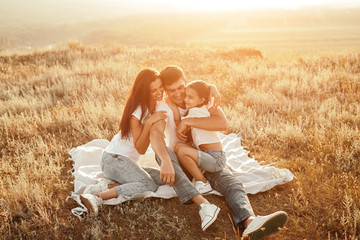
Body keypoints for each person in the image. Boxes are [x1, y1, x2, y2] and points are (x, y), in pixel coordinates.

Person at [152, 65, 288, 239]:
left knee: (232, 183)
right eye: (172, 91)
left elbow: (222, 124)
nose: (178, 94)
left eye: (181, 87)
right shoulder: (163, 107)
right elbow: (156, 133)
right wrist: (164, 159)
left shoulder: (201, 97)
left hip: (205, 157)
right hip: (182, 160)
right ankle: (201, 200)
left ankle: (250, 222)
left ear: (186, 82)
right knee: (169, 154)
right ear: (165, 91)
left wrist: (191, 117)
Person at [79, 68, 168, 213]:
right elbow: (141, 149)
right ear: (145, 92)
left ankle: (108, 186)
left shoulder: (156, 103)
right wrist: (149, 123)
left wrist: (213, 91)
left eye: (160, 88)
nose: (159, 92)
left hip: (126, 162)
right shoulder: (137, 112)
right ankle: (97, 197)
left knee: (162, 178)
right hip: (114, 160)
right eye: (154, 90)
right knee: (148, 185)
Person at [170, 80, 226, 194]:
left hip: (216, 159)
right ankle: (198, 175)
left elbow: (223, 123)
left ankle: (203, 182)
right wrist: (175, 110)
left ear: (201, 100)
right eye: (186, 96)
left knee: (181, 151)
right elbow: (180, 129)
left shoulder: (207, 106)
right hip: (206, 155)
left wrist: (212, 87)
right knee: (178, 146)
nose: (185, 99)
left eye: (190, 97)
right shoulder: (191, 112)